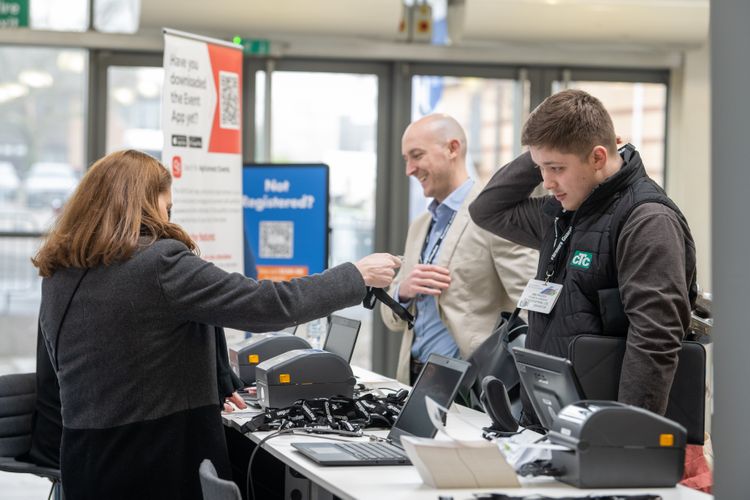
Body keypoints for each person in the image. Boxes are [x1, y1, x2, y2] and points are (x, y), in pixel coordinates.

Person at [31, 149, 401, 500]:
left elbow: (92, 362)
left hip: (85, 464)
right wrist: (355, 276)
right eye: (166, 207)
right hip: (157, 463)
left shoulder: (59, 275)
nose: (167, 219)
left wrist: (217, 380)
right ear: (141, 204)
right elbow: (269, 305)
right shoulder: (159, 263)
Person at [469, 89, 697, 422]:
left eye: (556, 168)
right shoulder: (563, 211)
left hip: (601, 429)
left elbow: (654, 340)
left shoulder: (648, 220)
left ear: (598, 158)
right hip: (547, 418)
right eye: (540, 168)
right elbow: (487, 209)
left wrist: (627, 438)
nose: (547, 182)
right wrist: (544, 149)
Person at [381, 114, 537, 385]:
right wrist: (402, 292)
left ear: (453, 148)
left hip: (471, 386)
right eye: (406, 159)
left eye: (416, 156)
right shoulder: (420, 225)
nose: (409, 169)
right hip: (414, 378)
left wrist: (502, 374)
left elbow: (531, 308)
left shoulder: (494, 217)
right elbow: (391, 318)